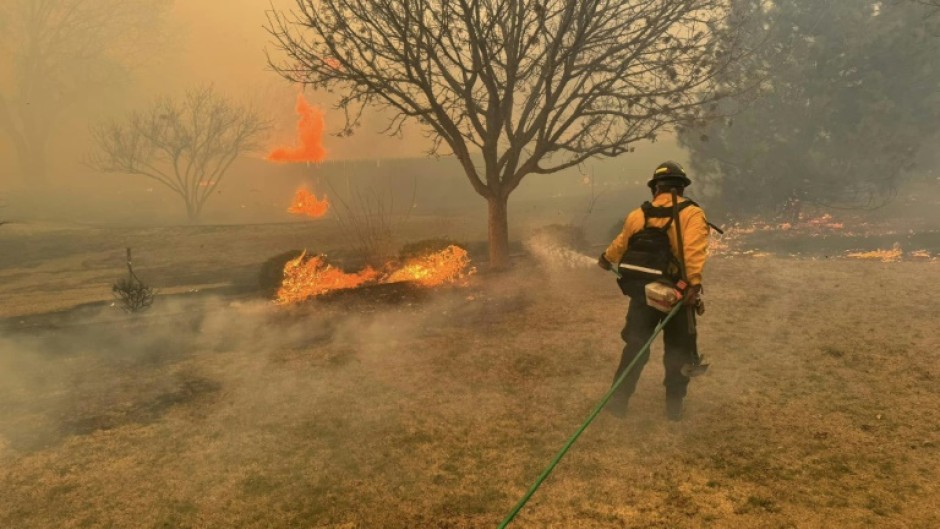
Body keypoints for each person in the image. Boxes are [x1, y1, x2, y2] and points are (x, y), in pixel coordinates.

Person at [597, 161, 709, 421]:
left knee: (635, 346)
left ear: (655, 189)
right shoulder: (692, 214)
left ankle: (618, 400)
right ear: (680, 188)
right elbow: (693, 252)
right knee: (678, 350)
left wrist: (606, 258)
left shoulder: (639, 215)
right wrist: (693, 284)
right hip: (678, 296)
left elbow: (621, 244)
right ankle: (674, 407)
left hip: (642, 293)